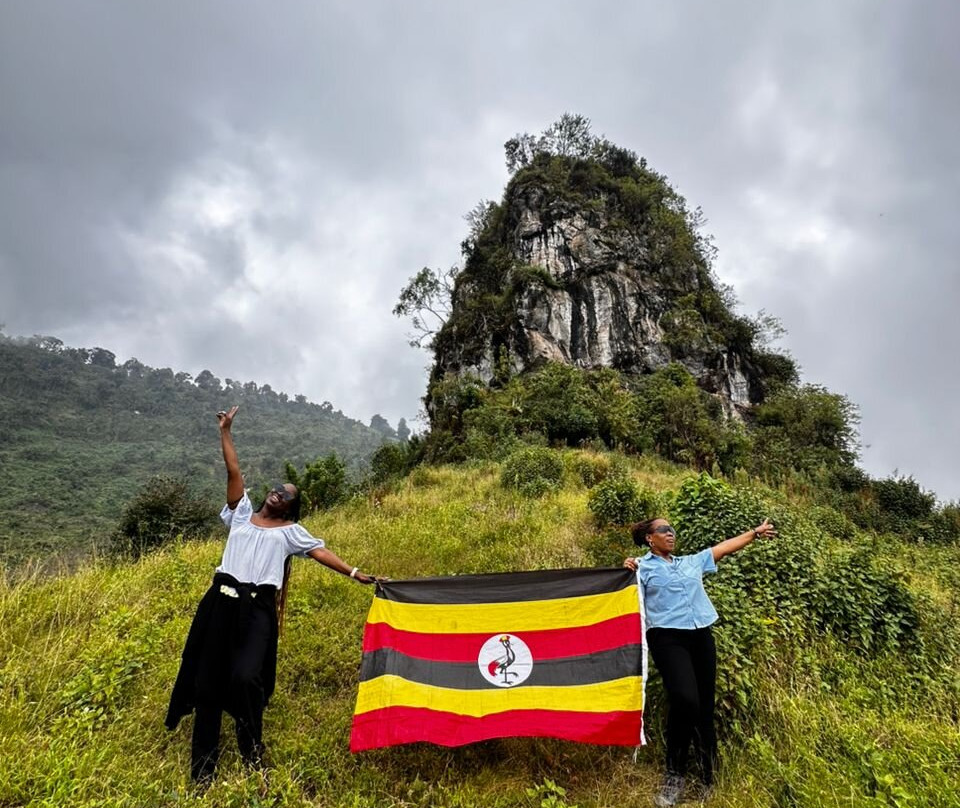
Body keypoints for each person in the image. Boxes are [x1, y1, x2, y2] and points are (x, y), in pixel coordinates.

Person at [165, 405, 380, 782]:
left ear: (291, 508)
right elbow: (233, 471)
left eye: (287, 494)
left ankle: (252, 751)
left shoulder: (289, 532)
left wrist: (355, 572)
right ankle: (202, 772)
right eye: (278, 488)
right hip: (219, 602)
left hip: (257, 609)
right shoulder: (242, 514)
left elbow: (320, 551)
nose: (278, 492)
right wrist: (226, 432)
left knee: (246, 678)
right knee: (208, 682)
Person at [624, 516, 776, 807]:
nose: (671, 534)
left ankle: (708, 775)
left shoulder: (690, 562)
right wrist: (626, 568)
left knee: (704, 706)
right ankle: (674, 775)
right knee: (685, 699)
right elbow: (623, 595)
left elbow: (724, 548)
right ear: (649, 539)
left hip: (701, 637)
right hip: (667, 639)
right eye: (663, 530)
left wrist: (755, 533)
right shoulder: (641, 568)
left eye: (672, 529)